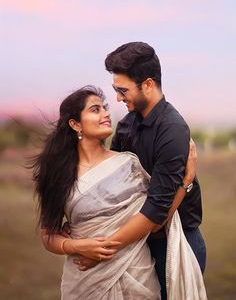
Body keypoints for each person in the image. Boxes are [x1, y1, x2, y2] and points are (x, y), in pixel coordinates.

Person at [32, 85, 206, 299]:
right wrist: (76, 245)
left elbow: (156, 219)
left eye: (105, 108)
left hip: (138, 277)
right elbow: (48, 235)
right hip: (85, 283)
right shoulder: (58, 175)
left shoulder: (128, 163)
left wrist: (186, 182)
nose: (106, 113)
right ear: (75, 124)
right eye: (95, 109)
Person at [103, 41, 207, 299]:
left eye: (122, 90)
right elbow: (112, 182)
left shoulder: (172, 130)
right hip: (137, 240)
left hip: (174, 242)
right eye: (115, 89)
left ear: (148, 84)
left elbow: (157, 216)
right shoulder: (127, 124)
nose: (117, 97)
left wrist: (103, 246)